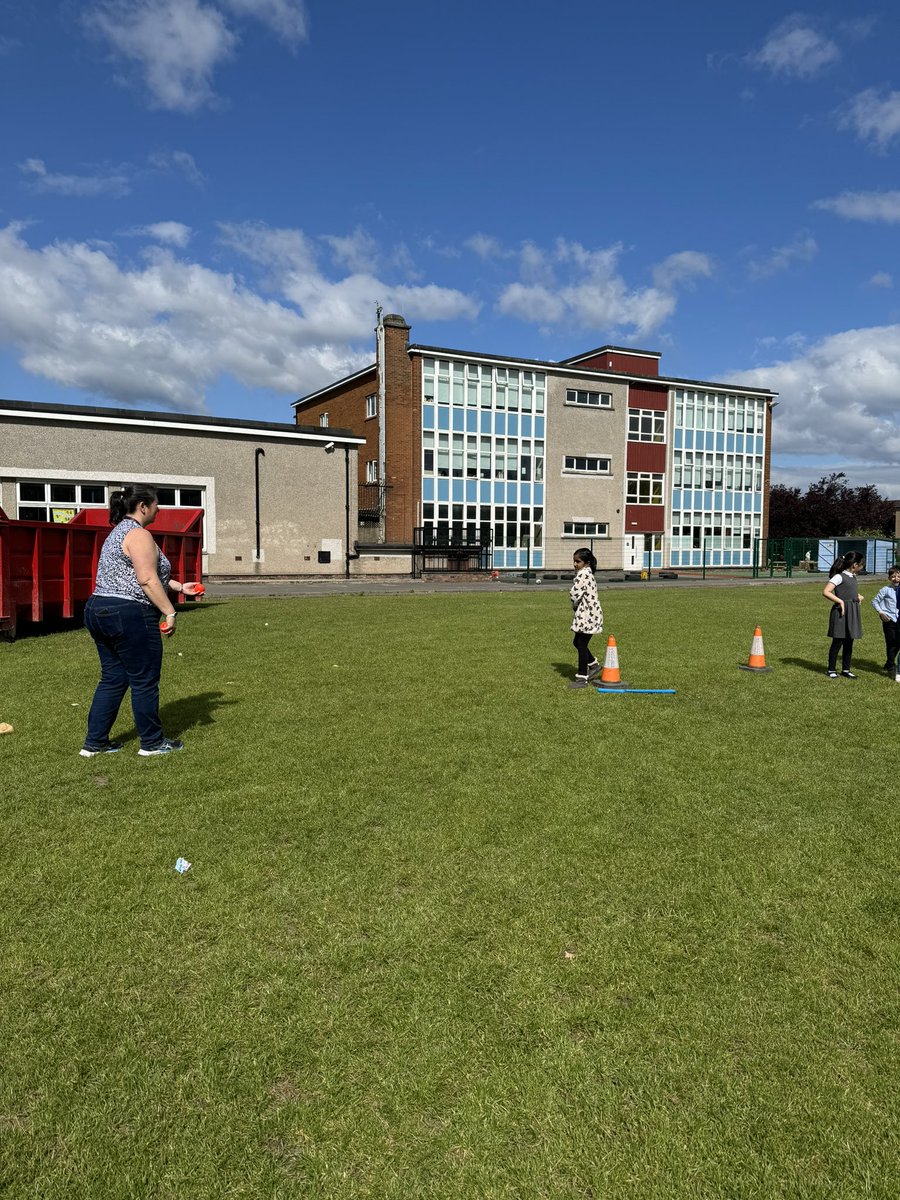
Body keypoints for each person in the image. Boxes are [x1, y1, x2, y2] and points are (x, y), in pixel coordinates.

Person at [81, 485, 187, 756]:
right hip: (128, 614)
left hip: (98, 608)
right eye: (156, 504)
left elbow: (140, 573)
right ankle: (152, 743)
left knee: (113, 677)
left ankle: (95, 743)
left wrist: (179, 587)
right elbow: (146, 579)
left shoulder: (118, 532)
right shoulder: (139, 534)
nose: (159, 509)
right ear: (143, 506)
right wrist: (170, 612)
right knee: (145, 678)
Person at [822, 550, 865, 679]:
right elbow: (826, 591)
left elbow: (849, 592)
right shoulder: (839, 576)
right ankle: (831, 670)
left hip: (852, 611)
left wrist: (858, 597)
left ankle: (846, 669)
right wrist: (840, 601)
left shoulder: (853, 577)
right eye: (862, 564)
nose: (863, 566)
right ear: (855, 565)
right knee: (838, 642)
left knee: (849, 642)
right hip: (841, 612)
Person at [569, 547, 603, 689]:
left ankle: (582, 678)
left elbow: (575, 594)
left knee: (581, 644)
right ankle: (594, 665)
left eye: (578, 561)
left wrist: (573, 602)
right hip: (590, 614)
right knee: (577, 642)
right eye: (574, 561)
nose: (575, 564)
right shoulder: (588, 573)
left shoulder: (583, 575)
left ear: (586, 562)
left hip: (587, 616)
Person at [871, 565, 900, 680]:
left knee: (898, 643)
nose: (896, 578)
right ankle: (891, 666)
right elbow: (875, 601)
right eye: (893, 576)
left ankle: (889, 661)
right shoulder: (885, 590)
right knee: (891, 643)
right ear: (889, 578)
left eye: (898, 576)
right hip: (889, 620)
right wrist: (881, 612)